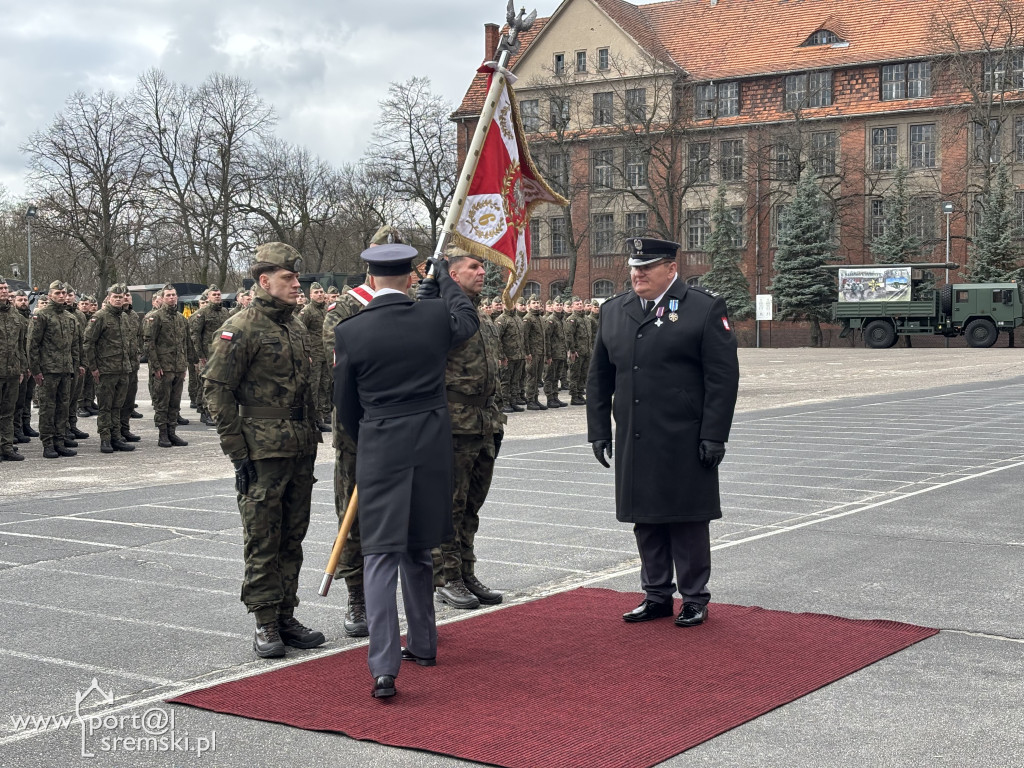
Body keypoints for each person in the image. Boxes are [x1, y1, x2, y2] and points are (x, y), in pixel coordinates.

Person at [333, 244, 478, 699]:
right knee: (420, 546)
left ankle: (383, 667)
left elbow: (345, 407)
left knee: (380, 554)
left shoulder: (351, 331)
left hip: (380, 445)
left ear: (370, 280)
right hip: (432, 443)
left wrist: (371, 437)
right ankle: (424, 643)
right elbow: (467, 322)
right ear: (411, 277)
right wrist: (447, 285)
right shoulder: (435, 316)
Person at [586, 237, 739, 628]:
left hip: (684, 433)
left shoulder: (703, 308)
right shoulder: (614, 310)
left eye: (646, 267)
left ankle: (693, 598)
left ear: (671, 268)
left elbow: (722, 378)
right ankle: (656, 594)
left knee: (687, 518)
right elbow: (600, 376)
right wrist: (599, 429)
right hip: (635, 433)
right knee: (647, 517)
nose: (637, 274)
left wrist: (714, 434)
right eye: (634, 267)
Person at [204, 244, 325, 659]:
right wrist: (237, 451)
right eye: (288, 278)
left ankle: (286, 613)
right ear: (264, 281)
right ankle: (265, 621)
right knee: (262, 537)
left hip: (299, 444)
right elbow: (217, 392)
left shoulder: (295, 328)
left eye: (296, 278)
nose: (297, 285)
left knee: (293, 534)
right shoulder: (240, 327)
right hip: (261, 448)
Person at [433, 248, 505, 609]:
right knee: (449, 505)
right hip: (454, 423)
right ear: (453, 275)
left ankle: (466, 570)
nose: (481, 272)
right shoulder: (441, 313)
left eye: (482, 267)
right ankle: (446, 576)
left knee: (471, 506)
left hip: (484, 422)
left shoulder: (480, 315)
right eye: (473, 267)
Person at [28, 281, 81, 459]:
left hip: (65, 370)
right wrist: (36, 370)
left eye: (63, 293)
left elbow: (74, 346)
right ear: (50, 295)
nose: (61, 296)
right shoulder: (42, 316)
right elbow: (33, 345)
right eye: (57, 293)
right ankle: (48, 443)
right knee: (47, 408)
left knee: (63, 407)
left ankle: (60, 441)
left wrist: (74, 367)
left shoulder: (70, 317)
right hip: (48, 370)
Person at [83, 284, 135, 453]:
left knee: (117, 406)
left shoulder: (124, 317)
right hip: (105, 370)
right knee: (105, 406)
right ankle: (105, 439)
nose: (119, 300)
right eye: (115, 297)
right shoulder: (100, 317)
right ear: (108, 298)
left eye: (121, 297)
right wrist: (94, 367)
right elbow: (89, 342)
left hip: (122, 369)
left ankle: (116, 437)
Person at [144, 284, 190, 448]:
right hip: (164, 367)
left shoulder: (181, 319)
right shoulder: (156, 317)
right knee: (162, 402)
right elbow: (149, 343)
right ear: (162, 298)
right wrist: (156, 366)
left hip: (178, 367)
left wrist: (185, 365)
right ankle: (162, 434)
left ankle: (172, 432)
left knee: (174, 403)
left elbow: (185, 343)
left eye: (173, 295)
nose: (171, 298)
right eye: (168, 295)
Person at [191, 284, 229, 426]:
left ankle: (216, 412)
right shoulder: (203, 313)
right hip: (207, 355)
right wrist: (200, 355)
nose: (217, 296)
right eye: (214, 295)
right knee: (207, 384)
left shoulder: (225, 311)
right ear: (208, 297)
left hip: (222, 353)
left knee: (220, 385)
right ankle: (205, 412)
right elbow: (195, 335)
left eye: (219, 294)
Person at [0, 276, 28, 461]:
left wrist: (22, 368)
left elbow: (21, 344)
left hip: (11, 371)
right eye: (0, 288)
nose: (3, 291)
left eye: (5, 288)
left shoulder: (15, 316)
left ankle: (6, 446)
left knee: (8, 411)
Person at [299, 281, 332, 432]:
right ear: (310, 295)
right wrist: (306, 353)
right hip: (314, 355)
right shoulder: (307, 311)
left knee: (325, 386)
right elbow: (300, 332)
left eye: (321, 292)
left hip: (326, 353)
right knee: (314, 386)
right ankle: (313, 419)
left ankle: (324, 415)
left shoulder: (327, 309)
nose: (319, 295)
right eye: (316, 293)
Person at [521, 294, 548, 410]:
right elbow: (524, 337)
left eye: (538, 303)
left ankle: (536, 399)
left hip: (540, 352)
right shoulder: (528, 318)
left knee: (537, 377)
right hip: (532, 353)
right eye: (534, 303)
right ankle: (530, 400)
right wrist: (527, 353)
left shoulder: (540, 318)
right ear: (529, 305)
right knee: (531, 376)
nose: (536, 305)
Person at [565, 296, 592, 405]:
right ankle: (574, 396)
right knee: (575, 374)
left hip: (586, 351)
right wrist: (572, 350)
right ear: (572, 306)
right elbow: (569, 335)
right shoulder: (572, 319)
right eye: (577, 304)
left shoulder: (586, 318)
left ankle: (580, 393)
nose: (579, 306)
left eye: (580, 304)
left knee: (583, 374)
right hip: (577, 352)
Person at [542, 297, 568, 408]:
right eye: (557, 305)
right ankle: (550, 398)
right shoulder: (551, 320)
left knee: (556, 376)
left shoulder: (561, 319)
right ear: (552, 306)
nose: (559, 306)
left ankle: (555, 397)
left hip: (560, 353)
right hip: (552, 354)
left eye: (560, 304)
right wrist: (548, 355)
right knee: (549, 377)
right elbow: (546, 339)